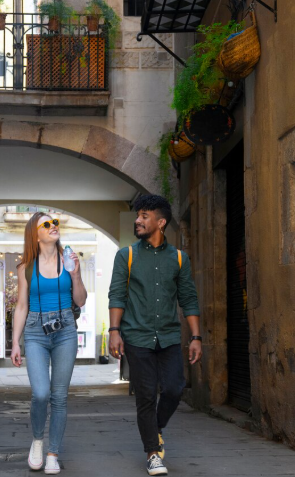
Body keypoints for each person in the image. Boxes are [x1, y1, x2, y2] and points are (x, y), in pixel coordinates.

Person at [107, 195, 202, 476]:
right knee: (146, 395)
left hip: (170, 337)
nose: (138, 220)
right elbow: (117, 295)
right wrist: (115, 331)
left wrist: (196, 337)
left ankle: (155, 427)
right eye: (138, 215)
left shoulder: (179, 258)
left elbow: (188, 299)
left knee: (174, 388)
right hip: (137, 337)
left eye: (144, 216)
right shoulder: (127, 255)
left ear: (160, 223)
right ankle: (152, 452)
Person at [10, 213, 88, 474]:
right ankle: (37, 440)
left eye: (55, 222)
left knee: (59, 397)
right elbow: (21, 306)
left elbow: (80, 300)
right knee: (41, 393)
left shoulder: (68, 260)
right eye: (46, 224)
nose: (53, 226)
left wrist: (75, 275)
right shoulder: (25, 267)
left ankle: (53, 453)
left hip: (65, 329)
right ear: (35, 233)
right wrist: (15, 342)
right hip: (35, 331)